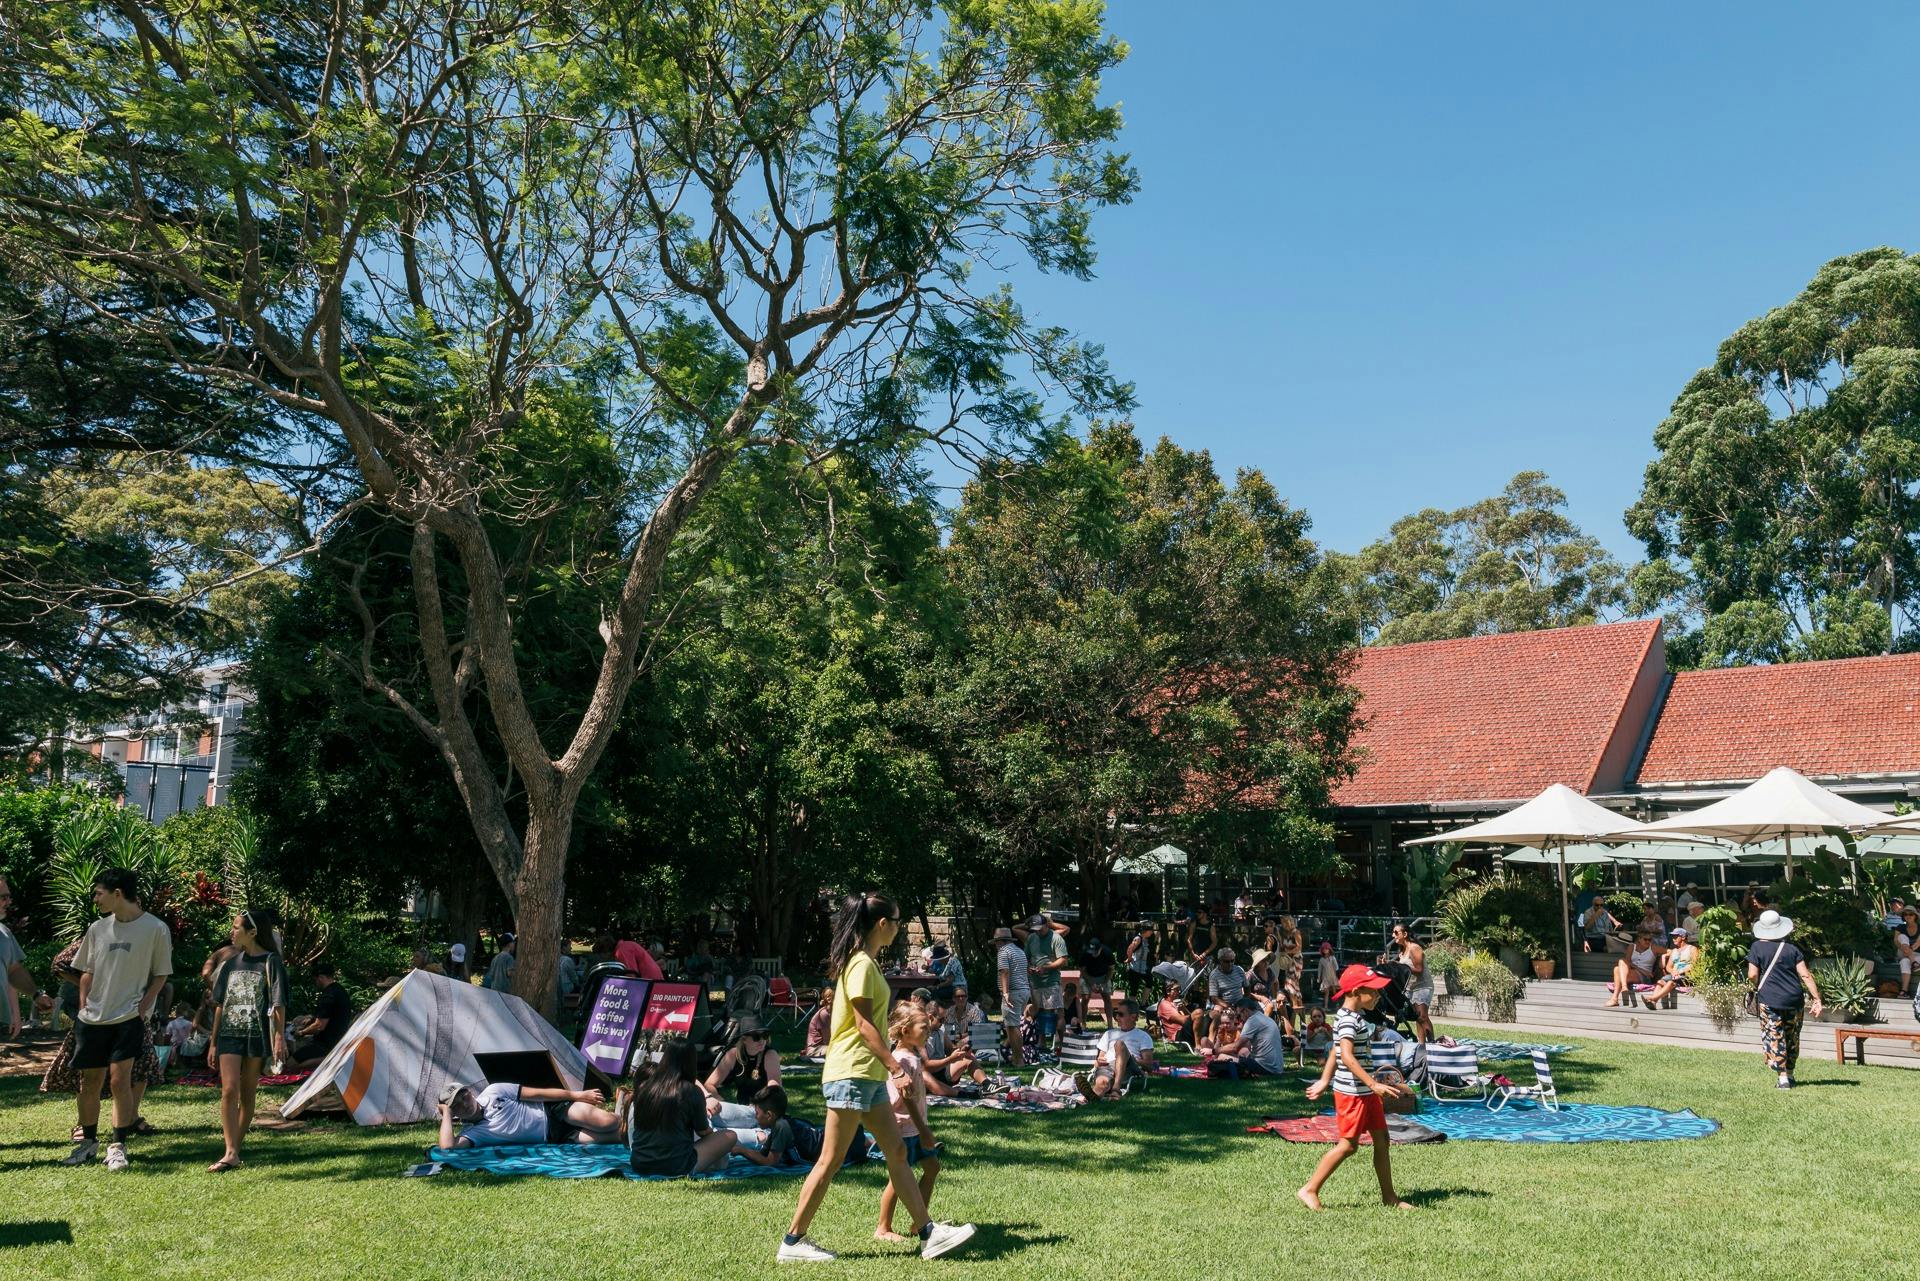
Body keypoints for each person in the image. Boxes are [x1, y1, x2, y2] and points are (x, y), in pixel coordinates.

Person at [779, 893, 975, 1263]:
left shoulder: (864, 963)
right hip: (852, 1072)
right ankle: (792, 1242)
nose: (899, 927)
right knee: (830, 1161)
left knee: (897, 1152)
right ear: (882, 924)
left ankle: (929, 1234)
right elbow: (865, 1026)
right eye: (898, 921)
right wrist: (896, 1068)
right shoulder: (861, 966)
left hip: (865, 1076)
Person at [63, 868, 172, 1172]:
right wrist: (85, 1005)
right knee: (89, 1081)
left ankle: (118, 1146)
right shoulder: (97, 928)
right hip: (93, 1019)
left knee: (119, 1080)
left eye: (99, 893)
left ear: (118, 894)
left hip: (129, 1017)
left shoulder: (155, 929)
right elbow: (86, 970)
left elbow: (161, 972)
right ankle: (88, 1143)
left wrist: (147, 1003)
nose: (95, 898)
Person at [1298, 964, 1413, 1211]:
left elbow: (1335, 1053)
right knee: (1348, 1145)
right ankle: (1309, 1189)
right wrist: (1373, 1083)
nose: (1379, 996)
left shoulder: (1354, 1018)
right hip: (1352, 1093)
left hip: (1365, 1092)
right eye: (1375, 992)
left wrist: (1324, 1080)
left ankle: (1389, 1197)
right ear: (1358, 991)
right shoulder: (1348, 1020)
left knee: (1382, 1139)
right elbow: (1346, 1057)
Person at [205, 907, 290, 1172]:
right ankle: (230, 1151)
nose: (231, 932)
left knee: (248, 1093)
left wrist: (279, 1039)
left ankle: (234, 1150)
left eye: (236, 928)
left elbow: (279, 1004)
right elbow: (219, 1004)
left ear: (252, 932)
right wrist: (214, 1041)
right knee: (229, 1090)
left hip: (256, 1035)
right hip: (229, 1035)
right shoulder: (230, 964)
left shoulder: (271, 962)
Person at [875, 1004, 946, 1244]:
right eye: (923, 1027)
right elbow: (904, 1100)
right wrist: (924, 1130)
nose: (928, 1031)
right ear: (906, 1031)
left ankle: (919, 1222)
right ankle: (883, 1227)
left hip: (915, 1128)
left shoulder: (911, 1057)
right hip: (905, 1129)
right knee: (897, 1179)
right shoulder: (902, 1061)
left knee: (932, 1168)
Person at [627, 1041, 736, 1174]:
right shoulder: (691, 1091)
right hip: (676, 1165)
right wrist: (715, 1139)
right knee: (729, 1136)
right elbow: (703, 1131)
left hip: (639, 1163)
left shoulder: (646, 1088)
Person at [1746, 910, 1823, 1089]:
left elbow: (1752, 974)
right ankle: (1790, 1073)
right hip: (1794, 999)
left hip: (1769, 999)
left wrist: (1758, 985)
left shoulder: (1757, 947)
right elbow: (1805, 975)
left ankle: (1783, 1079)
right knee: (1792, 1036)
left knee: (1775, 1035)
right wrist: (1817, 999)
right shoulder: (1792, 948)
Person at [439, 1078, 622, 1148]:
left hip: (554, 1111)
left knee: (608, 1123)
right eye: (456, 1105)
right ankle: (640, 1122)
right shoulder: (471, 1134)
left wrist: (577, 1094)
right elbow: (447, 1147)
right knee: (620, 1136)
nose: (464, 1104)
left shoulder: (494, 1090)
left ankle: (626, 1108)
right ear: (455, 1113)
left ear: (470, 1092)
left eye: (464, 1096)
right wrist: (446, 1113)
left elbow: (539, 1093)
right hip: (553, 1136)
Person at [1074, 997, 1156, 1100]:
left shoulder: (1143, 1036)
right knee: (1102, 1083)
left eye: (1121, 1014)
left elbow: (1149, 1065)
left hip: (1129, 1066)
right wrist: (1099, 1061)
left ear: (1133, 1017)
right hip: (1108, 1065)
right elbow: (1099, 1060)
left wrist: (1135, 1060)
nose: (1116, 1017)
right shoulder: (1109, 1034)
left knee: (1119, 1044)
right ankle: (1091, 1098)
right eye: (1116, 1014)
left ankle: (1116, 1089)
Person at [705, 1026, 782, 1126]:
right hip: (743, 1108)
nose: (762, 1040)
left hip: (765, 1110)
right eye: (756, 1037)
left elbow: (774, 1088)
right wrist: (719, 1101)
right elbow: (709, 1084)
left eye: (765, 1035)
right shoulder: (733, 1054)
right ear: (744, 1039)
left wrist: (758, 1105)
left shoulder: (770, 1055)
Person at [0, 874, 44, 1039]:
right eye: (3, 897)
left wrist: (36, 995)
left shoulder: (4, 933)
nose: (8, 902)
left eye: (9, 897)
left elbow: (13, 971)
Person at [1209, 996, 1289, 1078]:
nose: (1239, 1019)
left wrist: (1212, 1051)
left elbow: (1235, 1047)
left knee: (1218, 1060)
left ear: (1246, 1011)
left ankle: (1249, 1073)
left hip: (1265, 1068)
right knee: (1243, 1052)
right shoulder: (1265, 1018)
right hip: (1277, 1068)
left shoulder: (1252, 1021)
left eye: (1239, 1015)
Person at [1022, 913, 1069, 1054]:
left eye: (1040, 928)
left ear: (1046, 925)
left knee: (1058, 1013)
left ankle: (1064, 1044)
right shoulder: (1031, 938)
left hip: (1051, 982)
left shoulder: (1056, 938)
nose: (1038, 931)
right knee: (1040, 1012)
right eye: (1035, 929)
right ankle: (1042, 1043)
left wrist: (1046, 968)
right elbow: (1026, 957)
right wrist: (1029, 968)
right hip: (1035, 982)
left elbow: (1063, 959)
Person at [289, 963, 352, 1067]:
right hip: (339, 1040)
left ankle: (328, 1060)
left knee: (290, 1063)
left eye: (315, 980)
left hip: (326, 1044)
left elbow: (319, 1026)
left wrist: (301, 1033)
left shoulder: (328, 995)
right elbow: (329, 1015)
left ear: (321, 977)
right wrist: (311, 1020)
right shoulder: (340, 990)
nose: (315, 983)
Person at [733, 1084, 801, 1167]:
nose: (755, 1117)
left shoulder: (781, 1126)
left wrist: (742, 1150)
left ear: (769, 1115)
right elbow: (762, 1155)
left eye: (757, 1113)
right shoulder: (776, 1126)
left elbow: (770, 1162)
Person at [1389, 923, 1433, 1042]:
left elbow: (1419, 970)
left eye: (1396, 932)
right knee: (1418, 1018)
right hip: (1411, 988)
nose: (1393, 935)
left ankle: (1432, 1045)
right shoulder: (1402, 952)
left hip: (1422, 986)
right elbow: (1402, 971)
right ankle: (1422, 1046)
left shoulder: (1414, 948)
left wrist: (1400, 965)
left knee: (1423, 1017)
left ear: (1405, 934)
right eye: (1393, 932)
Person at [993, 925, 1029, 1069]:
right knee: (1013, 1026)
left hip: (1013, 992)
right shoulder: (1020, 951)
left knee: (1013, 1028)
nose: (995, 945)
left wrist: (1005, 993)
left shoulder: (1003, 952)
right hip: (1024, 991)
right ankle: (1016, 1057)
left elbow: (1004, 972)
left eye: (996, 942)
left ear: (1000, 941)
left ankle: (1018, 1060)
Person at [1605, 930, 1665, 1007]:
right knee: (1619, 965)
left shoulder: (1654, 948)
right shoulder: (1632, 947)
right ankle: (1623, 988)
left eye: (1649, 940)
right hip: (1634, 972)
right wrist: (1640, 969)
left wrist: (1663, 956)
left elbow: (1671, 951)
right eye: (1645, 939)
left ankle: (1615, 998)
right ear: (1639, 939)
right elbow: (1627, 963)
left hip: (1645, 977)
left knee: (1617, 971)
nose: (1648, 941)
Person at [1642, 927, 1698, 1009]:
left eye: (1676, 936)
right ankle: (1653, 1002)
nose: (1673, 939)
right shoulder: (1674, 951)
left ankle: (1653, 998)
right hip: (1674, 975)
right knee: (1660, 981)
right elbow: (1668, 966)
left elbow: (1695, 965)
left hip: (1687, 975)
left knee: (1671, 982)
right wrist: (1673, 972)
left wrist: (1680, 971)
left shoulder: (1692, 949)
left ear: (1683, 937)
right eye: (1673, 937)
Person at [1077, 932, 1113, 1027]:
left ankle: (1110, 1024)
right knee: (1085, 998)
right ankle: (1083, 1023)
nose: (1093, 954)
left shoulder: (1107, 952)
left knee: (1107, 998)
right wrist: (1091, 982)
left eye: (1095, 952)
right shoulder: (1085, 953)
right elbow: (1082, 970)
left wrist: (1104, 983)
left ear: (1100, 948)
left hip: (1104, 975)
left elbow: (1111, 969)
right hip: (1087, 975)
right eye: (1091, 952)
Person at [804, 985, 834, 1057]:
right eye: (828, 996)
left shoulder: (832, 1012)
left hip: (824, 1046)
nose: (830, 998)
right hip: (815, 1049)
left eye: (832, 995)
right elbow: (827, 1039)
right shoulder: (824, 1014)